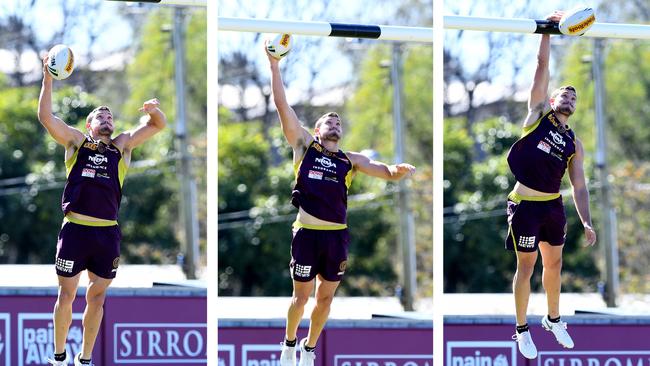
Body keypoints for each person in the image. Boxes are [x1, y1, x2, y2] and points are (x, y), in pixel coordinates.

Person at [265, 50, 416, 366]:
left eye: (338, 122)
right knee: (301, 298)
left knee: (325, 299)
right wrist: (274, 65)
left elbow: (384, 171)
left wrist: (398, 171)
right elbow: (282, 106)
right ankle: (289, 344)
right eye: (328, 121)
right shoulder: (304, 146)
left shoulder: (351, 160)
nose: (335, 124)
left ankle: (309, 349)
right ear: (318, 130)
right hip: (306, 234)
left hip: (336, 238)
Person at [38, 55, 167, 366]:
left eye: (110, 115)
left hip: (106, 233)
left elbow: (158, 125)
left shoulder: (121, 147)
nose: (107, 118)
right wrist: (48, 78)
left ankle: (84, 359)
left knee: (96, 297)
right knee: (65, 296)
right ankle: (58, 357)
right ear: (89, 125)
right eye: (100, 115)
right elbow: (45, 117)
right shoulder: (76, 143)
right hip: (75, 230)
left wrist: (153, 111)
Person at [505, 11, 597, 359]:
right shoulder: (537, 115)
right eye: (565, 94)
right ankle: (521, 329)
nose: (570, 98)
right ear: (552, 100)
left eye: (574, 97)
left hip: (552, 207)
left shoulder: (574, 143)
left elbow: (580, 186)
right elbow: (542, 63)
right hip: (525, 206)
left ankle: (554, 319)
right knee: (525, 267)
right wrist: (548, 30)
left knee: (554, 265)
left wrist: (586, 220)